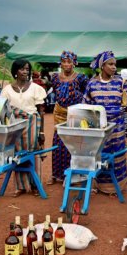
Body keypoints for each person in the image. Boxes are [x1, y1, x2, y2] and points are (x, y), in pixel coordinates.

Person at [83, 50, 127, 194]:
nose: (114, 67)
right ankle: (98, 185)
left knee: (116, 155)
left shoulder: (121, 83)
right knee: (98, 154)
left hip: (117, 127)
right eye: (110, 64)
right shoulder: (92, 84)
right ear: (102, 65)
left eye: (115, 65)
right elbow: (86, 105)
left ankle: (115, 186)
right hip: (98, 127)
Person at [0, 59, 47, 197]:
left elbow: (41, 111)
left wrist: (42, 131)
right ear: (15, 71)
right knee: (17, 154)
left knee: (33, 154)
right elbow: (5, 110)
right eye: (22, 69)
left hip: (32, 124)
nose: (25, 72)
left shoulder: (35, 88)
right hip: (14, 126)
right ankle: (21, 186)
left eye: (27, 69)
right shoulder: (6, 90)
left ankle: (35, 185)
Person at [48, 50, 89, 185]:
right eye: (63, 62)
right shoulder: (54, 77)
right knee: (58, 142)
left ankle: (75, 173)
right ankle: (57, 174)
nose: (66, 64)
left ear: (74, 63)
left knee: (74, 143)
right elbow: (56, 92)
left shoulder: (81, 78)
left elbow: (86, 94)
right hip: (59, 112)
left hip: (75, 113)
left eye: (69, 62)